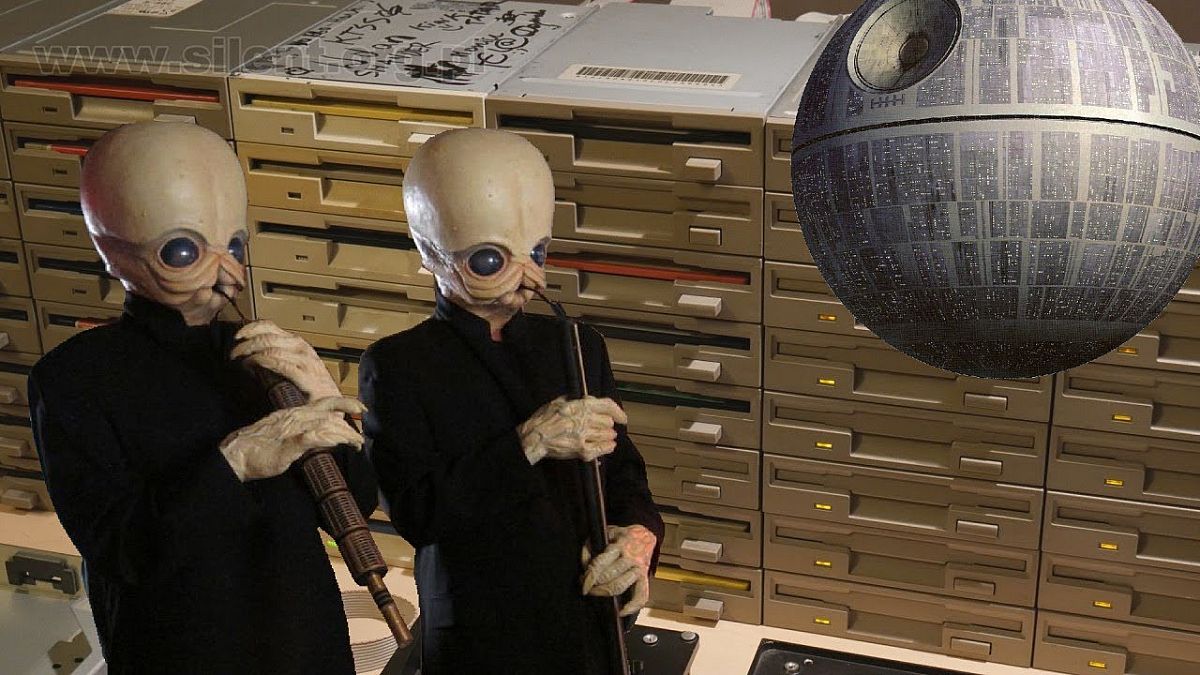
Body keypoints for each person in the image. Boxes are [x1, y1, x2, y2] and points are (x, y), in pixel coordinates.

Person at [28, 122, 377, 674]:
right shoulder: (74, 379)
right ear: (112, 253)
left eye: (234, 246)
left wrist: (325, 399)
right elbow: (124, 552)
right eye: (185, 250)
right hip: (184, 651)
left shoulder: (259, 353)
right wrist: (235, 462)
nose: (226, 272)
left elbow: (356, 502)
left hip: (304, 640)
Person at [360, 128, 664, 675]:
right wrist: (528, 444)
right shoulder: (399, 364)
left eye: (537, 253)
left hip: (584, 615)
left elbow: (624, 475)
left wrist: (640, 537)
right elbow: (417, 513)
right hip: (484, 631)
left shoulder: (577, 345)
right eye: (489, 260)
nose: (528, 276)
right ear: (430, 254)